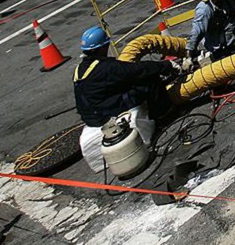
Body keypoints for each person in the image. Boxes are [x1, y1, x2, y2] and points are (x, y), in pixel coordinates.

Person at [73, 26, 185, 172]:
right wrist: (167, 65)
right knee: (149, 80)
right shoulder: (105, 68)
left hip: (91, 115)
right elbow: (137, 70)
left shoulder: (80, 69)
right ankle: (164, 114)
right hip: (105, 114)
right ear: (102, 47)